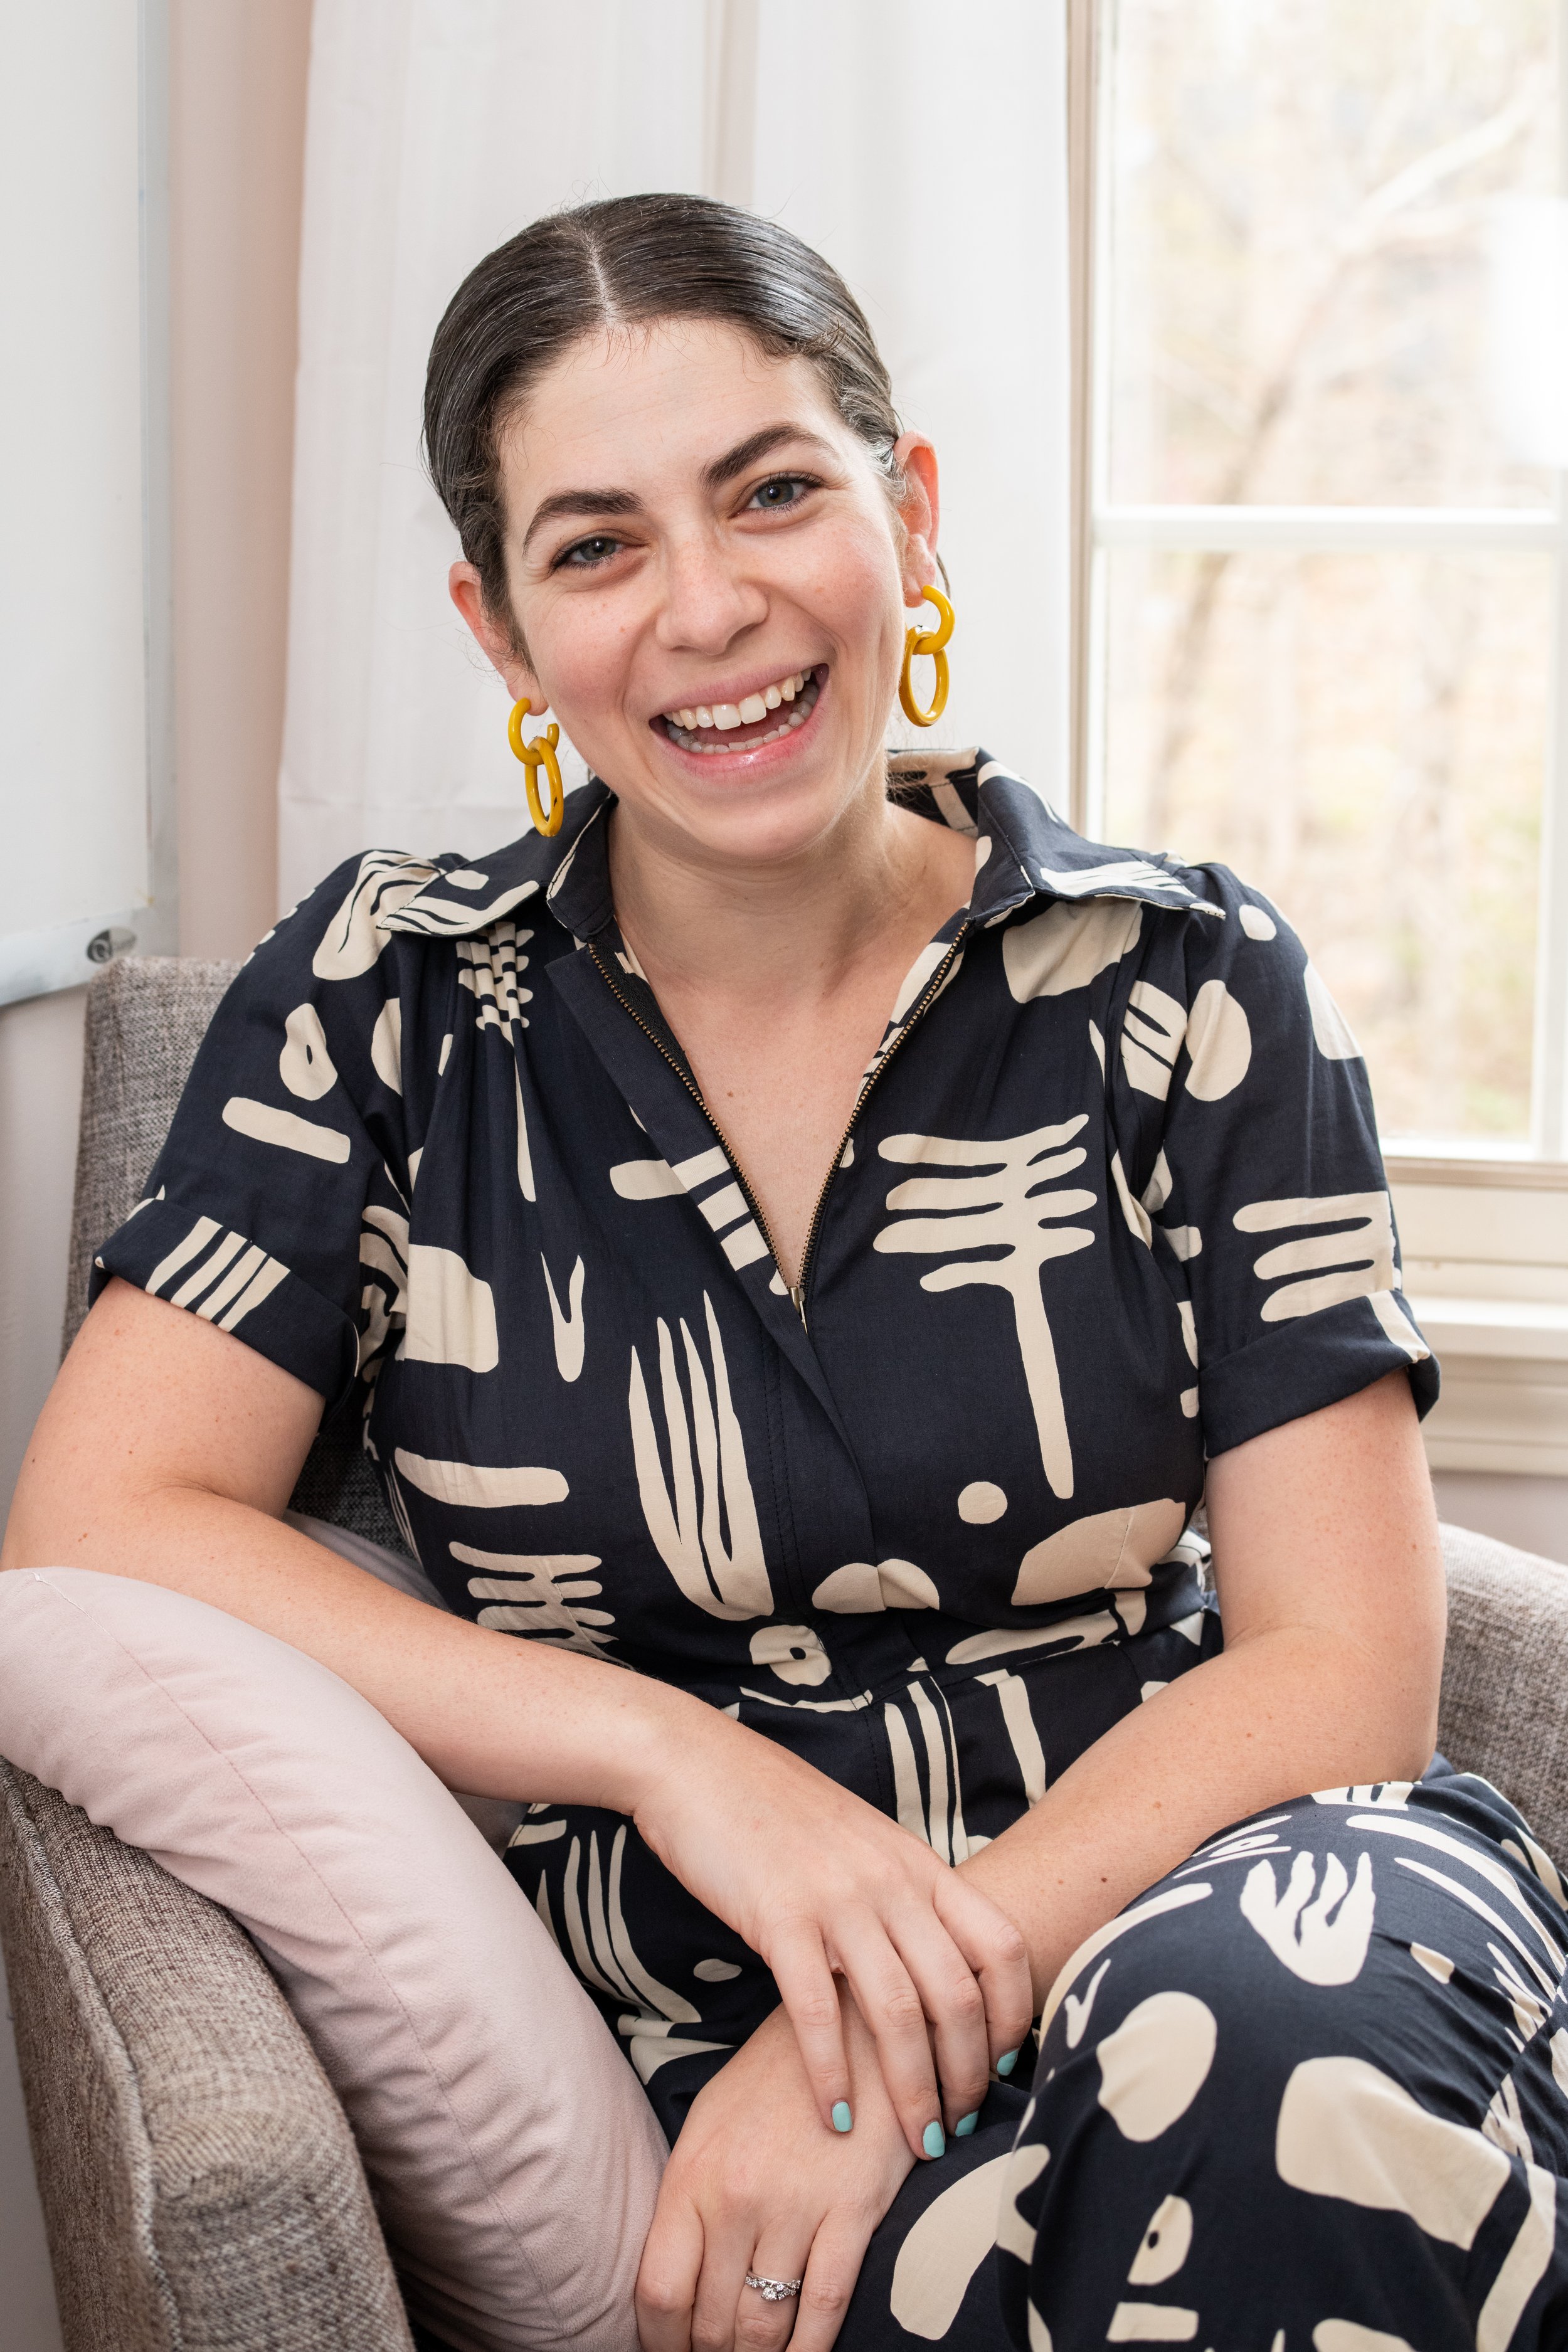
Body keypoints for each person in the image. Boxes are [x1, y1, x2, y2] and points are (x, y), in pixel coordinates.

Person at [6, 193, 1565, 2352]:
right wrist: (679, 1762)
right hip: (689, 2016)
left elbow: (1346, 1667)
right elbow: (101, 1530)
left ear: (904, 515)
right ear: (500, 628)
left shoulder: (1188, 985)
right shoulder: (380, 1005)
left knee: (1300, 2060)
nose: (711, 610)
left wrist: (896, 2024)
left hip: (1196, 1904)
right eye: (596, 544)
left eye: (771, 494)